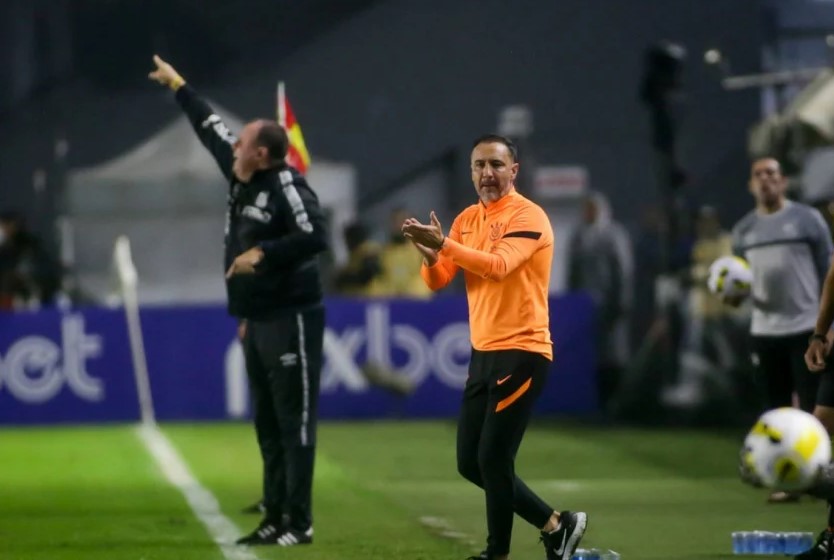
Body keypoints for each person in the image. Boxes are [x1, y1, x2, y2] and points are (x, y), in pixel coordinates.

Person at [148, 55, 328, 547]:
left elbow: (316, 236)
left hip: (292, 317)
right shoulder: (240, 173)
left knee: (296, 422)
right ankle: (275, 516)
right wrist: (179, 84)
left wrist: (263, 254)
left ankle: (300, 521)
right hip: (258, 319)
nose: (233, 146)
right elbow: (209, 128)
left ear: (263, 156)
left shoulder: (287, 186)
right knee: (267, 424)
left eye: (243, 142)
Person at [402, 134, 587, 560]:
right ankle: (558, 525)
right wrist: (431, 257)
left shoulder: (530, 215)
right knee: (470, 462)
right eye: (479, 166)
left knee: (493, 458)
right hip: (483, 352)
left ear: (514, 171)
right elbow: (439, 279)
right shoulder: (467, 218)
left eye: (496, 165)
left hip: (523, 350)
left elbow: (500, 266)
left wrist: (443, 245)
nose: (487, 174)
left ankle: (497, 553)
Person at [730, 157, 834, 504]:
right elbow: (739, 280)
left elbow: (827, 270)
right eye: (758, 175)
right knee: (774, 409)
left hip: (805, 327)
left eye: (771, 174)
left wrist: (826, 326)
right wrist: (734, 295)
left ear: (784, 181)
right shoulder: (744, 230)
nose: (765, 180)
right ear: (750, 185)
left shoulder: (808, 219)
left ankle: (816, 473)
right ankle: (784, 477)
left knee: (812, 408)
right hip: (764, 329)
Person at [567, 191, 633, 412]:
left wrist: (622, 302)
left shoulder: (614, 235)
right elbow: (572, 271)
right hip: (585, 306)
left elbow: (623, 271)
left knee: (612, 354)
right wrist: (572, 302)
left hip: (610, 305)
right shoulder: (578, 235)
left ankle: (614, 401)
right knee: (589, 355)